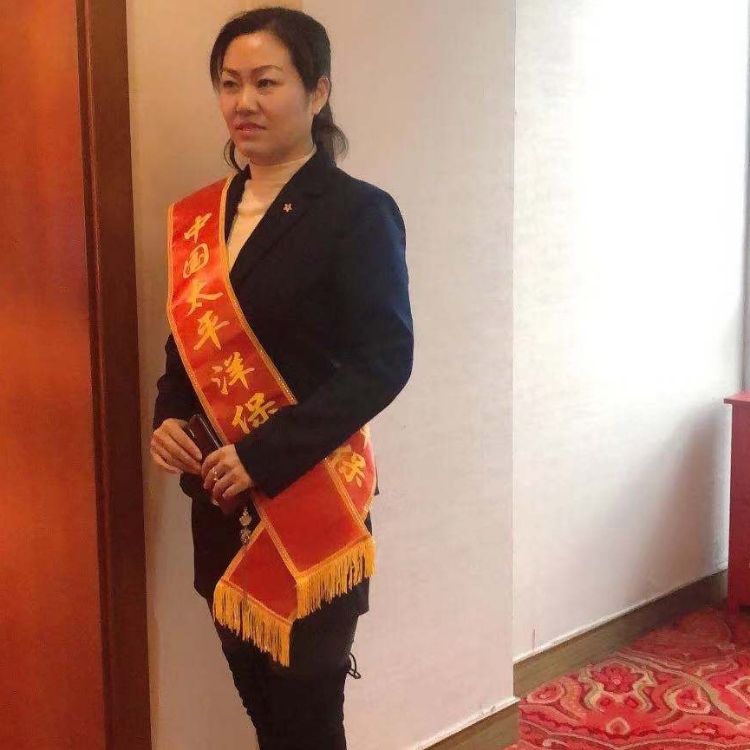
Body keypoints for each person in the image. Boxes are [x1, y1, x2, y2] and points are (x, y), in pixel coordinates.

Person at [149, 7, 413, 749]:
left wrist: (263, 456)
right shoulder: (203, 217)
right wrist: (168, 415)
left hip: (310, 506)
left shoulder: (357, 213)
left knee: (308, 722)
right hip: (220, 507)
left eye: (266, 82)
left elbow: (383, 360)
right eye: (229, 83)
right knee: (266, 717)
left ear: (317, 91)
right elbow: (186, 348)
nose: (244, 102)